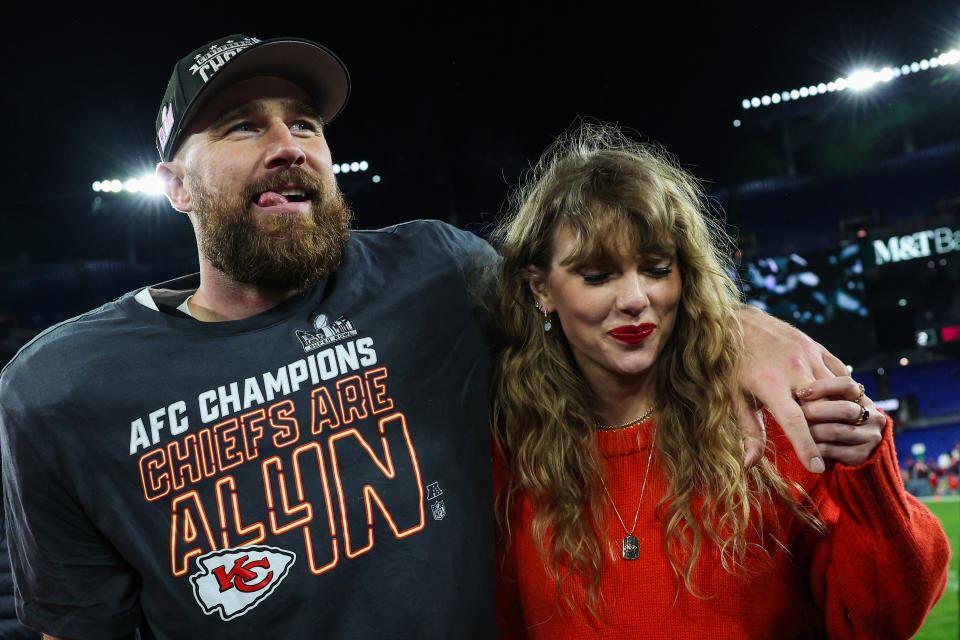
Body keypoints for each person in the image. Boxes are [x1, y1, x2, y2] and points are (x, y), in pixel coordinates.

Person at [0, 35, 856, 639]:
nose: (287, 144)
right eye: (241, 126)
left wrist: (740, 326)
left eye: (304, 122)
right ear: (173, 186)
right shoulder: (63, 389)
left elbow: (601, 291)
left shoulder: (436, 273)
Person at [491, 123, 951, 639]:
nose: (635, 298)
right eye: (597, 276)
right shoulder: (509, 450)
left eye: (657, 268)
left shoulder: (766, 424)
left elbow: (880, 621)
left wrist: (868, 471)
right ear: (540, 290)